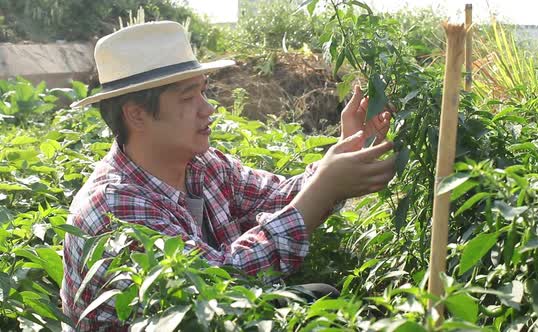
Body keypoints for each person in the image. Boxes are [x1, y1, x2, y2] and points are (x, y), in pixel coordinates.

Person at [60, 20, 395, 330]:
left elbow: (274, 196)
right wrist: (325, 187)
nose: (207, 108)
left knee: (322, 296)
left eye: (203, 91)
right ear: (136, 114)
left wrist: (343, 153)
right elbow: (219, 287)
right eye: (188, 97)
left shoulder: (200, 164)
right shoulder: (115, 207)